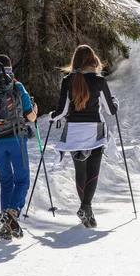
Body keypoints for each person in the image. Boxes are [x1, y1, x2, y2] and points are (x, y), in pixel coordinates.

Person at [49, 45, 118, 228]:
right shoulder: (99, 81)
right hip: (93, 129)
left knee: (80, 171)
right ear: (92, 60)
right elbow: (111, 110)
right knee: (93, 170)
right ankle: (85, 207)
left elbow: (61, 111)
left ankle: (86, 210)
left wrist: (51, 116)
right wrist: (115, 103)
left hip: (73, 130)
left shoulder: (67, 80)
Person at [0, 54, 38, 239]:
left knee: (6, 181)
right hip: (17, 139)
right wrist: (35, 109)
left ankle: (5, 225)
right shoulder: (17, 86)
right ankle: (12, 213)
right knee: (22, 180)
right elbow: (31, 117)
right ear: (10, 69)